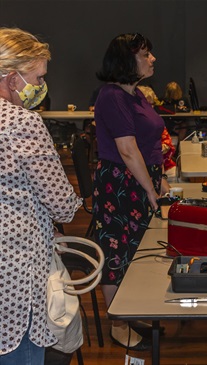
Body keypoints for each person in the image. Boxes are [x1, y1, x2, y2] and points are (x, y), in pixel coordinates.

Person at [0, 27, 82, 364]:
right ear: (12, 78)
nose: (41, 86)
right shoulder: (22, 122)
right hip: (16, 272)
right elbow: (62, 205)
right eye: (38, 76)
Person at [93, 32, 170, 350]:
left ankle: (130, 310)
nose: (152, 59)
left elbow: (149, 144)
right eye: (145, 54)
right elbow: (127, 150)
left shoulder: (136, 94)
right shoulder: (111, 96)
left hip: (140, 178)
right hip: (120, 183)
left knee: (137, 250)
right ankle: (118, 323)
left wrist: (160, 179)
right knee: (117, 250)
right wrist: (151, 188)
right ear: (127, 60)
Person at [138, 85, 177, 181]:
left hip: (161, 164)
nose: (151, 107)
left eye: (152, 104)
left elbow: (168, 143)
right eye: (147, 104)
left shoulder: (156, 120)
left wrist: (161, 148)